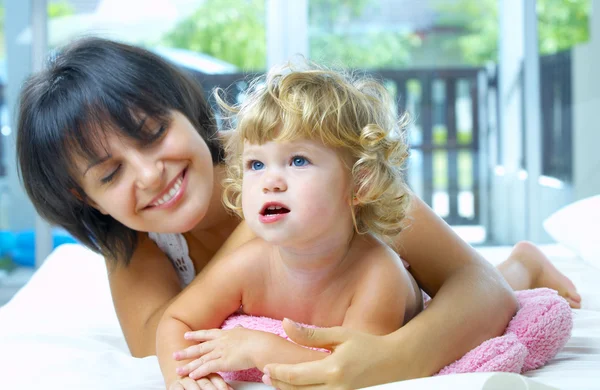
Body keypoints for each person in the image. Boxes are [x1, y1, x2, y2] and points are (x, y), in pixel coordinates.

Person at [15, 37, 580, 390]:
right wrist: (250, 255)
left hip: (381, 298)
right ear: (86, 201)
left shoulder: (293, 161)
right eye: (110, 175)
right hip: (316, 305)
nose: (148, 175)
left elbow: (471, 282)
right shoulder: (133, 237)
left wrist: (393, 359)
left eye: (153, 133)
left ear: (187, 111)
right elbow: (156, 343)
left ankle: (523, 267)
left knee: (435, 299)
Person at [156, 63, 424, 389]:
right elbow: (177, 320)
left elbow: (355, 372)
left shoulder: (378, 275)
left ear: (359, 184)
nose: (270, 181)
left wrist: (264, 348)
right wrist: (182, 378)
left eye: (298, 160)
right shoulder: (251, 262)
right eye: (256, 163)